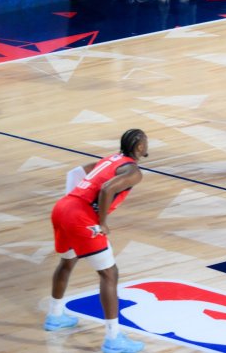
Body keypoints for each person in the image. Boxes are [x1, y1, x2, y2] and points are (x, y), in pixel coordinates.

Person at [44, 129, 150, 353]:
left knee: (67, 262)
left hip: (63, 207)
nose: (146, 145)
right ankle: (113, 339)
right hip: (80, 217)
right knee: (109, 274)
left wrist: (72, 203)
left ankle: (54, 316)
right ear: (139, 147)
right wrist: (101, 221)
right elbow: (106, 188)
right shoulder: (133, 171)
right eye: (145, 142)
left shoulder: (111, 159)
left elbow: (74, 173)